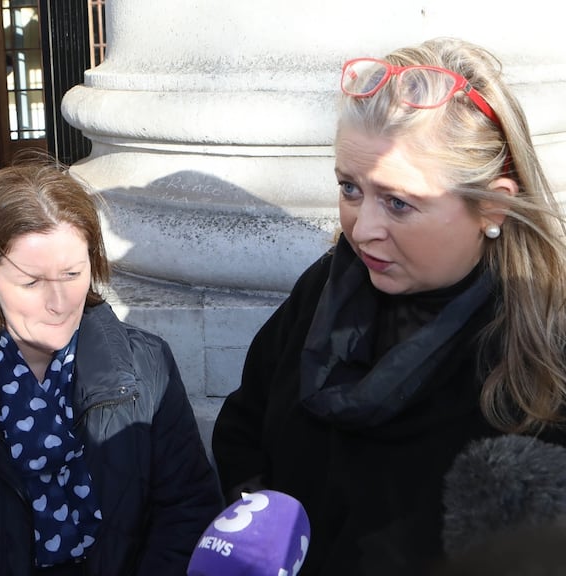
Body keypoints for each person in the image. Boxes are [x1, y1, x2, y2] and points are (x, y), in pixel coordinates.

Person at [211, 37, 566, 575]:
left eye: (398, 203)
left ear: (491, 206)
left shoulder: (544, 354)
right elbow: (244, 424)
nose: (363, 229)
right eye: (350, 189)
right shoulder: (320, 292)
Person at [0, 162, 223, 575]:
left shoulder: (147, 365)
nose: (60, 302)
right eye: (32, 282)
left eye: (72, 274)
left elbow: (187, 508)